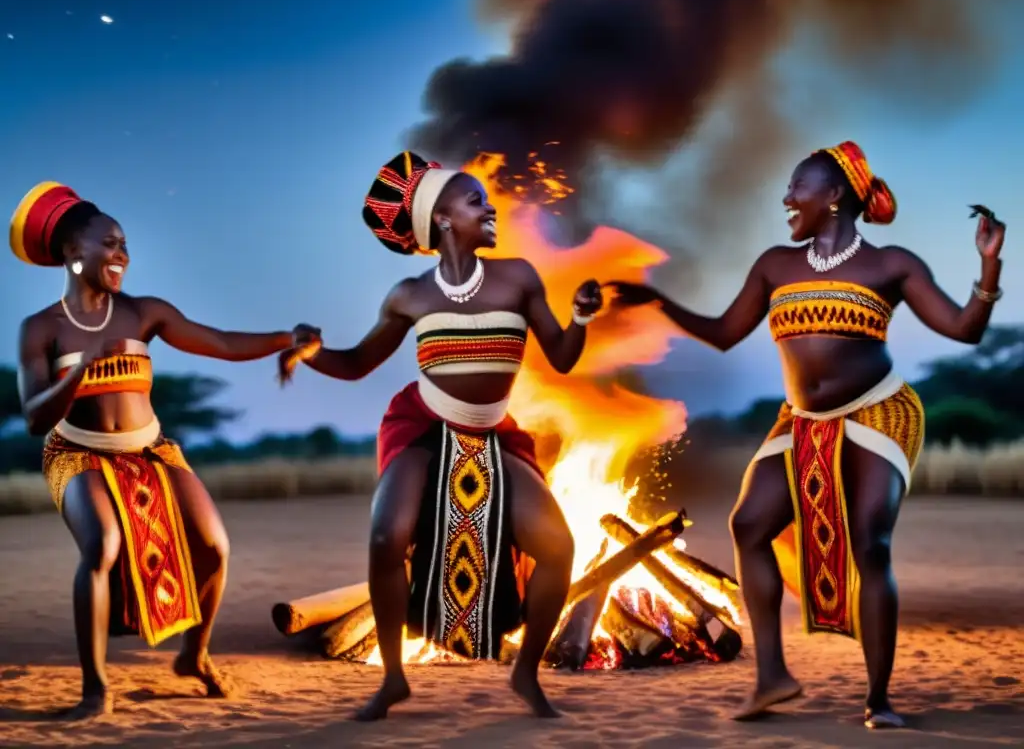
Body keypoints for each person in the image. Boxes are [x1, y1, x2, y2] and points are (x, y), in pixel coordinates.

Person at [608, 141, 1005, 729]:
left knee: (871, 543)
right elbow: (723, 333)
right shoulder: (775, 264)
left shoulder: (892, 264)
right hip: (799, 423)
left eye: (798, 187)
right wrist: (654, 301)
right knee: (748, 523)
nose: (787, 198)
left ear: (835, 195)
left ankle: (879, 698)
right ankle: (772, 676)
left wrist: (989, 266)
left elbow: (964, 330)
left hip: (877, 414)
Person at [279, 151, 602, 721]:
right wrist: (310, 352)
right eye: (474, 199)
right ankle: (393, 681)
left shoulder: (519, 277)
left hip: (494, 436)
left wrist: (579, 318)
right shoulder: (409, 295)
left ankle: (526, 674)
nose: (489, 206)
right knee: (386, 538)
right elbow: (356, 363)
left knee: (558, 547)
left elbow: (563, 357)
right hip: (425, 429)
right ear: (444, 219)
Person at [11, 182, 319, 719]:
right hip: (76, 453)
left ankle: (193, 658)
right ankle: (95, 689)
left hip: (150, 449)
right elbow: (38, 417)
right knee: (101, 548)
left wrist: (285, 339)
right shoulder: (40, 329)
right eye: (109, 243)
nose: (122, 255)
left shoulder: (143, 312)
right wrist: (79, 373)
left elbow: (220, 342)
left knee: (215, 546)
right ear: (70, 251)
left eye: (125, 244)